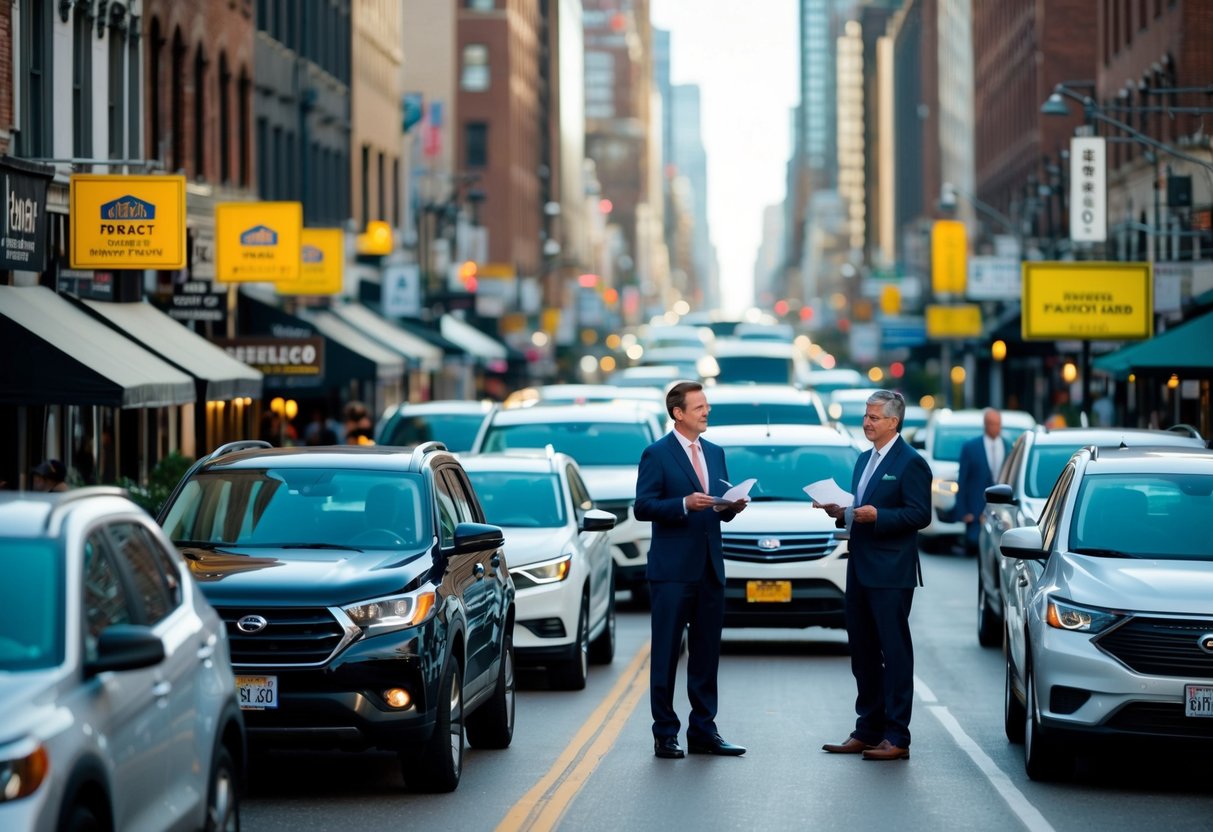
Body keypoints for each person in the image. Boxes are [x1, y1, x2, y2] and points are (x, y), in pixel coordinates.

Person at [813, 390, 930, 761]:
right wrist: (840, 511)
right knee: (862, 651)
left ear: (893, 422)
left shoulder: (911, 462)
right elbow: (857, 508)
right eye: (866, 416)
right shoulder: (864, 459)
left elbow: (919, 515)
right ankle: (868, 729)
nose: (867, 422)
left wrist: (878, 516)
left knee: (894, 653)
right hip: (859, 568)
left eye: (874, 418)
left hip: (892, 573)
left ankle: (897, 737)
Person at [633, 381, 748, 760]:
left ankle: (704, 730)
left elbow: (719, 505)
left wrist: (731, 506)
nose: (706, 411)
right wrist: (682, 503)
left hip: (710, 568)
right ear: (678, 413)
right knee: (666, 654)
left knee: (706, 655)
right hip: (671, 571)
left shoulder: (715, 452)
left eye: (706, 405)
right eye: (698, 407)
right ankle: (665, 733)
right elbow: (644, 507)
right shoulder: (657, 454)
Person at [955, 408, 1008, 555]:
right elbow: (963, 480)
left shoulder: (1008, 446)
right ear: (985, 425)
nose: (996, 428)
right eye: (992, 424)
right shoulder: (970, 447)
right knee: (976, 547)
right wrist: (964, 511)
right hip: (976, 510)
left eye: (998, 424)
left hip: (1000, 510)